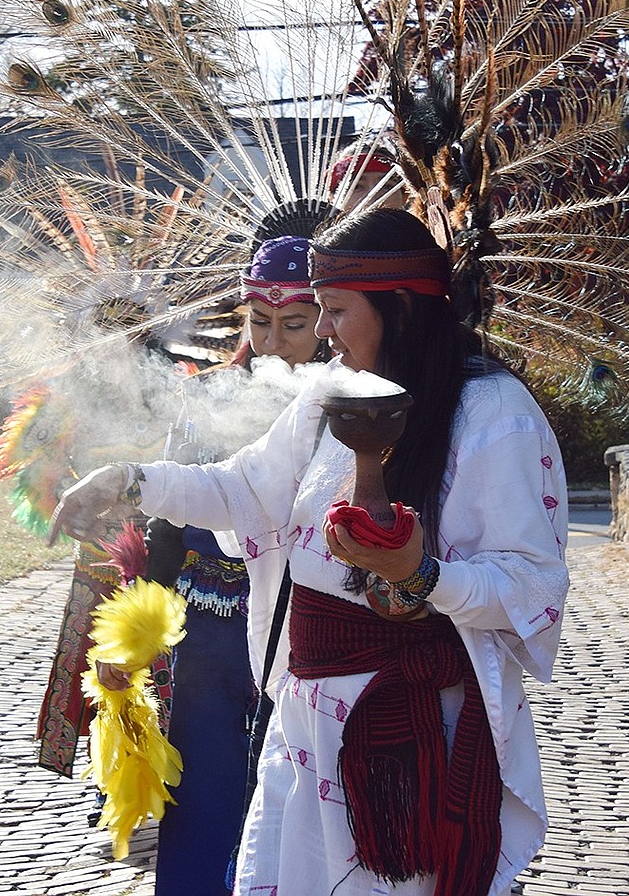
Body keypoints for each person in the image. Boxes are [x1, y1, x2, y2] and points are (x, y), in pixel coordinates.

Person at [51, 208, 569, 896]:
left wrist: (424, 576)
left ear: (402, 310)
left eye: (335, 310)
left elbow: (529, 583)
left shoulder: (493, 414)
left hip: (413, 730)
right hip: (306, 719)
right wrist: (133, 480)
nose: (322, 331)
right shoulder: (331, 394)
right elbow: (241, 489)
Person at [98, 235, 329, 896]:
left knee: (292, 800)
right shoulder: (205, 397)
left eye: (294, 323)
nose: (276, 341)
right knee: (202, 793)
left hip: (300, 633)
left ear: (328, 317)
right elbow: (165, 528)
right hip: (207, 637)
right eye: (261, 322)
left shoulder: (343, 410)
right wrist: (132, 637)